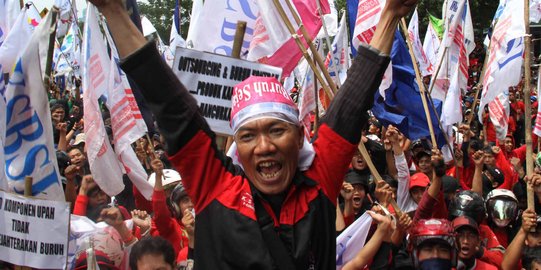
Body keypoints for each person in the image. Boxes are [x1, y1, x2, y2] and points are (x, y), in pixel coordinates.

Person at [89, 0, 417, 268]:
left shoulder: (319, 181)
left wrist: (389, 16)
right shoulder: (215, 184)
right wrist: (113, 11)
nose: (264, 147)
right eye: (247, 136)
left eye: (276, 130)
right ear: (237, 147)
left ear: (300, 138)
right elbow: (170, 104)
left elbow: (351, 106)